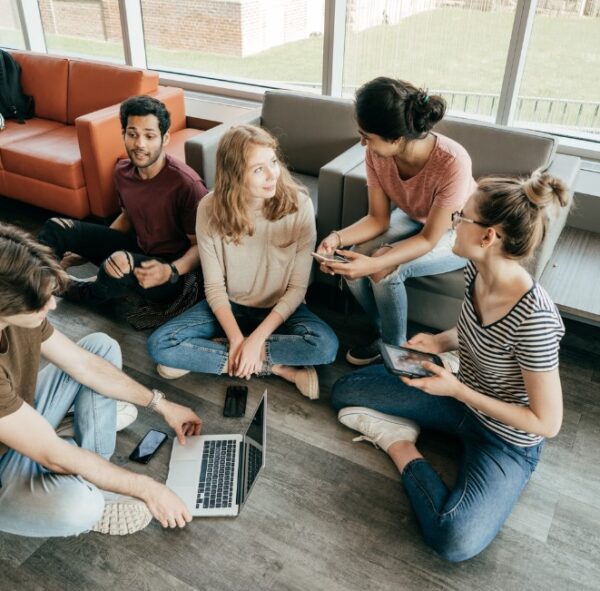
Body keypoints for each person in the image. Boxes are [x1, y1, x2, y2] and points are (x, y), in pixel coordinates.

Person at [331, 171, 569, 562]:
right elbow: (473, 326)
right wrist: (440, 341)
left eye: (462, 217)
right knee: (345, 391)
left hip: (505, 440)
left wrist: (456, 390)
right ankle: (414, 422)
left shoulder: (535, 320)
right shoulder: (477, 269)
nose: (453, 222)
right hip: (458, 398)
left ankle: (400, 444)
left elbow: (547, 423)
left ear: (488, 236)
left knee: (453, 539)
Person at [0, 224, 203, 537]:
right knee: (81, 508)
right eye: (42, 303)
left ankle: (89, 463)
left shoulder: (19, 317)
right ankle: (90, 482)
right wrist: (147, 487)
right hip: (6, 469)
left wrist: (162, 405)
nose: (53, 305)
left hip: (16, 416)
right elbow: (51, 456)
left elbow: (84, 365)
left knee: (100, 347)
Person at [147, 125, 339, 400]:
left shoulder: (300, 205)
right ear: (235, 174)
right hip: (230, 305)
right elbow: (214, 287)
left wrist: (257, 339)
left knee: (325, 347)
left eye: (273, 161)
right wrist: (238, 340)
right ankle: (277, 368)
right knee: (159, 345)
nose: (273, 174)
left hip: (280, 308)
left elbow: (297, 289)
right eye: (258, 168)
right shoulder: (209, 209)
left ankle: (215, 355)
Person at [317, 77, 475, 365]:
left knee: (383, 269)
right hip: (414, 216)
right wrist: (337, 238)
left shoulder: (452, 162)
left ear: (398, 139)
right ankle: (382, 331)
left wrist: (376, 263)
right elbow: (377, 219)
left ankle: (397, 352)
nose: (362, 141)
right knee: (352, 258)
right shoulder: (375, 154)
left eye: (367, 135)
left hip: (458, 230)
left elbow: (429, 238)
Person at [37, 95, 208, 315]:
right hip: (137, 248)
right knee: (56, 227)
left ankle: (71, 288)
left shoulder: (187, 184)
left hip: (170, 272)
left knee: (117, 263)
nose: (139, 144)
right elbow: (128, 217)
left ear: (165, 139)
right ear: (123, 135)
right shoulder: (122, 171)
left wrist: (170, 271)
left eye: (149, 136)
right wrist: (87, 251)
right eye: (132, 134)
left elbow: (201, 246)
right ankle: (36, 284)